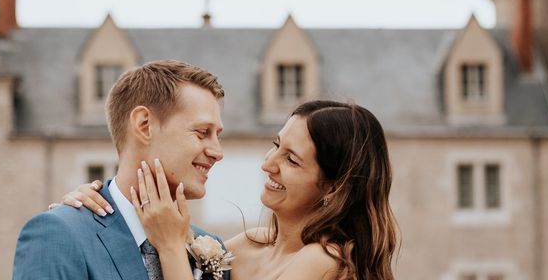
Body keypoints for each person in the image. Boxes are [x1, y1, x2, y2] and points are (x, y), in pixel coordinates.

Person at [63, 100, 398, 280]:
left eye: (292, 160)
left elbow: (169, 247)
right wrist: (94, 203)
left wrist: (169, 247)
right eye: (276, 145)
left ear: (333, 187)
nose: (268, 164)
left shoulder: (323, 260)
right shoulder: (246, 246)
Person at [12, 60, 229, 280]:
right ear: (144, 125)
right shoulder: (59, 236)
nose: (217, 152)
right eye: (202, 132)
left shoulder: (213, 249)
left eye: (217, 136)